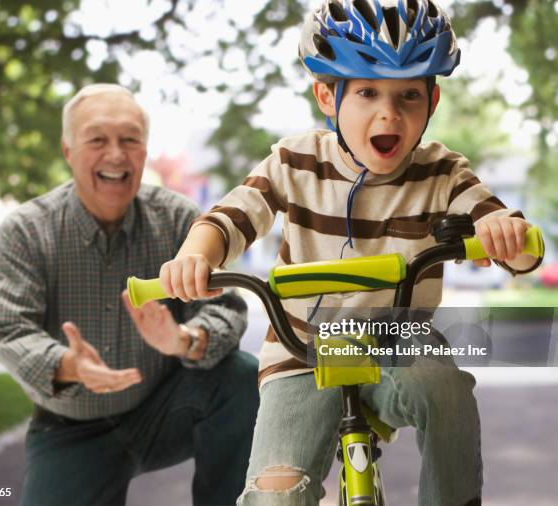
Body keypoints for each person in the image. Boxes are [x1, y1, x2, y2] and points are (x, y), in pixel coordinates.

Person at [158, 1, 543, 505]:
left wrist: (504, 233)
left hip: (399, 344)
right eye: (366, 92)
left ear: (433, 100)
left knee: (447, 393)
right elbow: (231, 216)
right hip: (304, 352)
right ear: (326, 95)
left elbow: (506, 235)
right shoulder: (295, 162)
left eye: (409, 95)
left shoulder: (444, 172)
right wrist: (196, 255)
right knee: (275, 491)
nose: (390, 112)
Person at [0, 83, 259, 506]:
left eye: (130, 139)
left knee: (240, 376)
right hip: (72, 426)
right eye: (97, 139)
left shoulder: (179, 218)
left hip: (166, 408)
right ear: (68, 151)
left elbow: (226, 307)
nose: (116, 154)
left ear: (144, 152)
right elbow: (10, 329)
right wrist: (66, 364)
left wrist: (184, 340)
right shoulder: (26, 230)